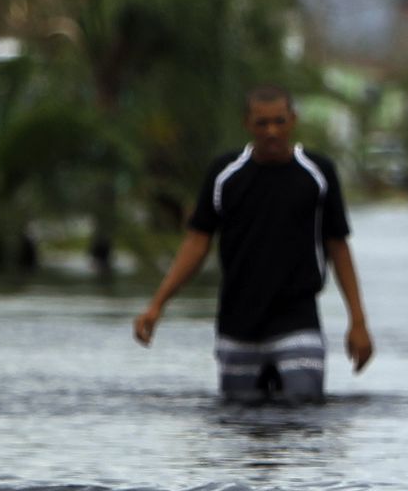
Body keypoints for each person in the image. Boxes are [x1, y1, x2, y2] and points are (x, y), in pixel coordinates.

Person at [133, 85, 373, 403]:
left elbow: (338, 247)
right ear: (247, 123)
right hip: (238, 325)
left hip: (297, 320)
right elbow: (196, 243)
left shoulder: (317, 174)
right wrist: (156, 305)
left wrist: (357, 321)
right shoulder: (225, 175)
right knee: (238, 423)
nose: (271, 131)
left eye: (279, 121)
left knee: (304, 412)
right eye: (262, 123)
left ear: (293, 120)